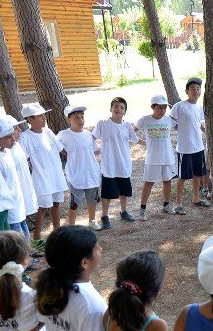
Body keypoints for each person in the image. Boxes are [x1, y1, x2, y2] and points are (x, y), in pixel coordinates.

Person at [18, 103, 67, 248]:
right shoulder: (25, 137)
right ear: (30, 119)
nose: (43, 118)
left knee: (56, 203)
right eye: (40, 116)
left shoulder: (48, 132)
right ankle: (36, 238)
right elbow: (23, 157)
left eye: (43, 115)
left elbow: (60, 148)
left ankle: (57, 234)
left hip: (55, 174)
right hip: (41, 176)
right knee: (42, 206)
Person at [93, 97, 139, 228]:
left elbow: (136, 140)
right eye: (116, 106)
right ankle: (105, 216)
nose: (119, 109)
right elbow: (92, 137)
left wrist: (151, 144)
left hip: (123, 164)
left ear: (125, 111)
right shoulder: (103, 124)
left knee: (124, 191)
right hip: (109, 165)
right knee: (107, 193)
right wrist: (96, 150)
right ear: (111, 109)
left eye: (122, 107)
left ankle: (124, 212)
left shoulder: (127, 126)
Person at [0, 116, 39, 241]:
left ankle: (27, 255)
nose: (13, 138)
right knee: (16, 239)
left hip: (18, 202)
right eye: (8, 136)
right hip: (10, 206)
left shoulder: (7, 152)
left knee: (24, 235)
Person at [56, 105, 102, 230]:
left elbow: (94, 151)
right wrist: (69, 154)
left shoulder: (88, 134)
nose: (80, 120)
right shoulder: (63, 135)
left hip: (91, 171)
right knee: (75, 201)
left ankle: (92, 220)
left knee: (92, 199)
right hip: (76, 173)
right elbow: (58, 147)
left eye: (82, 117)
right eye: (76, 118)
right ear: (68, 119)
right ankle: (71, 225)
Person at [170, 77, 211, 211]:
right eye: (192, 89)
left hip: (198, 146)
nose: (196, 91)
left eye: (198, 89)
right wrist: (180, 129)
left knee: (197, 174)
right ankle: (178, 203)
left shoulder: (199, 107)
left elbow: (198, 123)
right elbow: (171, 122)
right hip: (184, 148)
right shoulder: (179, 106)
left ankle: (196, 198)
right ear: (187, 91)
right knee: (182, 176)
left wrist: (207, 132)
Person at [135, 95, 177, 220]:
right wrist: (141, 142)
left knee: (167, 180)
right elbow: (132, 131)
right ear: (153, 107)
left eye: (165, 108)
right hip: (152, 157)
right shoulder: (145, 120)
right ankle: (142, 209)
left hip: (167, 156)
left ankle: (166, 204)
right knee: (149, 182)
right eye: (160, 107)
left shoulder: (169, 120)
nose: (163, 110)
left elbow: (180, 129)